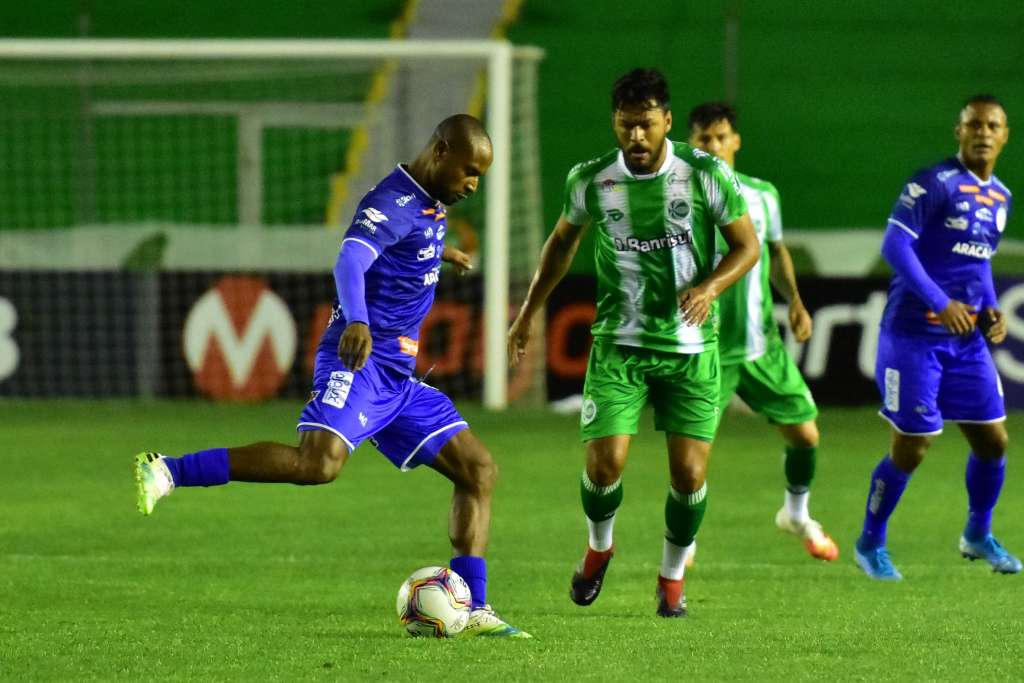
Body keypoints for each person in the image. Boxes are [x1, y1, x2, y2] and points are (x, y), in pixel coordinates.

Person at [134, 114, 531, 637]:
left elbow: (406, 243)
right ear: (440, 151)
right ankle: (167, 470)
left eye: (479, 176)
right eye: (469, 171)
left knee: (478, 471)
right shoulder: (393, 201)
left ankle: (474, 606)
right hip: (361, 359)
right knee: (316, 465)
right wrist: (359, 319)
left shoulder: (430, 202)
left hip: (399, 378)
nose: (473, 185)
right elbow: (350, 258)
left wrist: (440, 252)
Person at [507, 69, 759, 617]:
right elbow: (560, 245)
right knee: (604, 465)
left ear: (667, 121)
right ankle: (599, 549)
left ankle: (671, 579)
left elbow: (747, 246)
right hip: (619, 346)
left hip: (691, 349)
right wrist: (528, 311)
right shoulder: (591, 179)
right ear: (615, 125)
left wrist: (711, 286)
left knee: (689, 474)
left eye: (646, 125)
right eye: (626, 127)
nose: (637, 138)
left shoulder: (705, 173)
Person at [854, 95, 1020, 580]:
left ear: (1005, 135)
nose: (983, 132)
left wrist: (990, 308)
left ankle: (977, 534)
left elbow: (977, 260)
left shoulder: (1001, 197)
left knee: (993, 441)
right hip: (912, 335)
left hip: (965, 339)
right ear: (959, 131)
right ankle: (870, 542)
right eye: (974, 124)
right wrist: (939, 303)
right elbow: (895, 245)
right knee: (913, 445)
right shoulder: (932, 183)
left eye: (993, 125)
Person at [687, 102, 838, 562]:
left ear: (736, 142)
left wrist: (794, 299)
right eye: (703, 139)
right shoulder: (680, 196)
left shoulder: (761, 195)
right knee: (693, 458)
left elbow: (776, 251)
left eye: (720, 138)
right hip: (705, 347)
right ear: (691, 144)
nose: (712, 146)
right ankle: (684, 539)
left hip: (759, 347)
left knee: (806, 435)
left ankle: (795, 513)